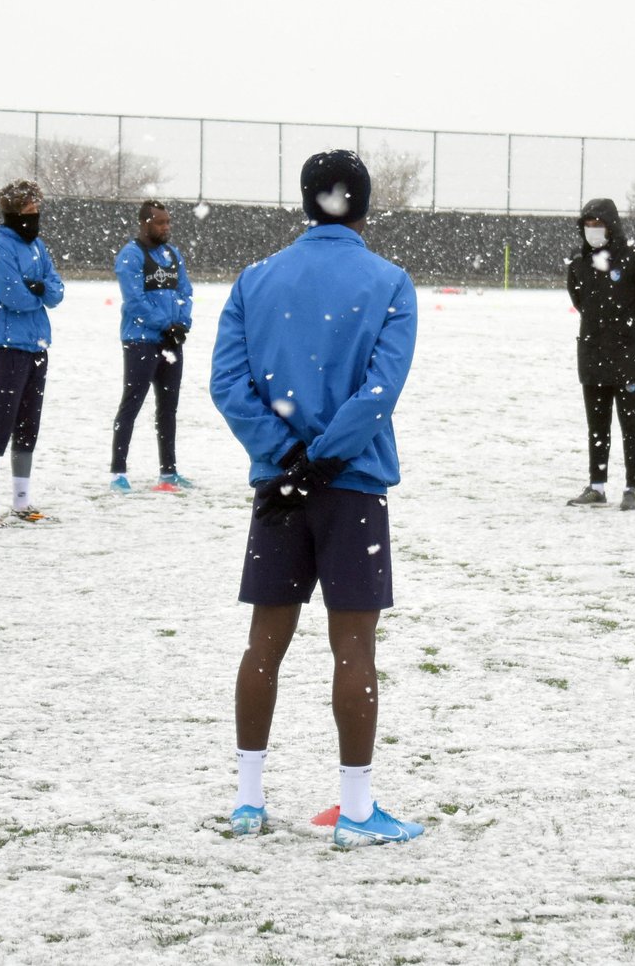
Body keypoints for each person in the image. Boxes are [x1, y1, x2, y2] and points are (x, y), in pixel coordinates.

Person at [209, 150, 422, 847]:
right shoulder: (389, 282)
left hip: (279, 489)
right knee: (353, 645)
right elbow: (380, 390)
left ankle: (248, 800)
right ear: (365, 205)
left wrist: (287, 461)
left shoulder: (255, 279)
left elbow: (228, 384)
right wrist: (324, 460)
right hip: (351, 485)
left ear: (305, 201)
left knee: (263, 642)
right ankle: (356, 809)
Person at [564, 198, 635, 511]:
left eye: (598, 224)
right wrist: (598, 331)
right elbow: (579, 300)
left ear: (612, 226)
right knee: (597, 426)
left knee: (631, 425)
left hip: (628, 359)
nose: (593, 230)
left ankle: (631, 488)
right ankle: (596, 486)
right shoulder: (579, 261)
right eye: (588, 225)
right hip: (592, 355)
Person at [0, 180, 63, 527]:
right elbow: (15, 297)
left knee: (29, 424)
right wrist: (39, 292)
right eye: (29, 210)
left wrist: (41, 290)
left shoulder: (38, 246)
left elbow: (57, 290)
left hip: (37, 344)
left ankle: (22, 502)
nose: (35, 216)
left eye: (37, 210)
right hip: (7, 345)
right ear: (13, 212)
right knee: (0, 423)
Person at [110, 200, 194, 494]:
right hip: (141, 342)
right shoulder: (131, 256)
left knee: (168, 409)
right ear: (145, 223)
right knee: (131, 405)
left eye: (168, 222)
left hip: (170, 342)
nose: (166, 227)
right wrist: (164, 325)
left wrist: (181, 323)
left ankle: (168, 472)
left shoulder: (172, 254)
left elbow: (185, 291)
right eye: (160, 222)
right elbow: (135, 301)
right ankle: (118, 473)